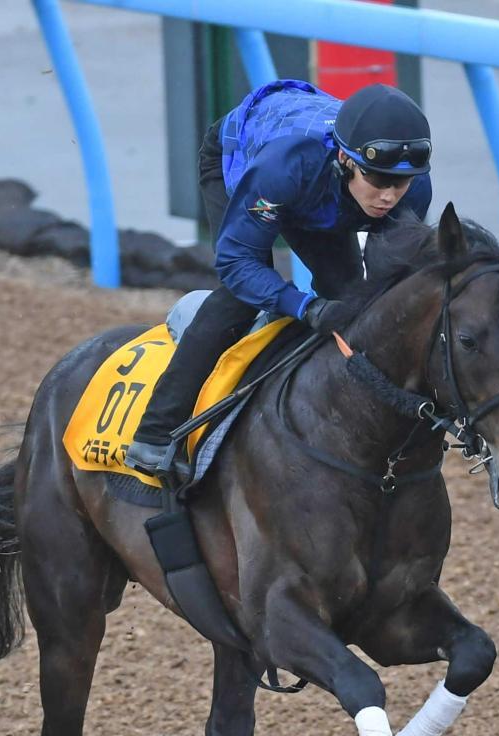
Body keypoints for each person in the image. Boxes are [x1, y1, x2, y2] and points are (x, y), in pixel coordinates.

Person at [124, 79, 433, 476]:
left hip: (324, 190)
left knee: (353, 296)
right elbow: (237, 264)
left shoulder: (413, 188)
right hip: (249, 161)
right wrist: (305, 306)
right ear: (346, 158)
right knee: (244, 297)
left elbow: (390, 280)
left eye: (399, 183)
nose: (389, 197)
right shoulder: (286, 167)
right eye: (377, 180)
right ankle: (154, 433)